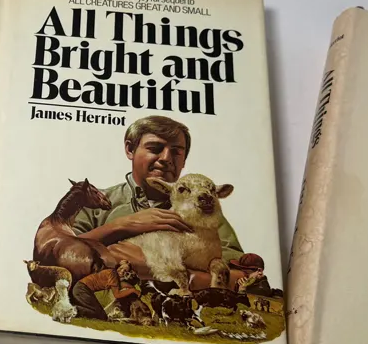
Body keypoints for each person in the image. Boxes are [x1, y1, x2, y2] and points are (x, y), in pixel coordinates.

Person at [71, 115, 243, 271]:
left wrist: (177, 273)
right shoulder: (93, 204)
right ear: (130, 150)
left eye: (176, 152)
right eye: (155, 148)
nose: (166, 158)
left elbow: (239, 265)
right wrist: (121, 226)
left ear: (184, 160)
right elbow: (63, 253)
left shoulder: (205, 211)